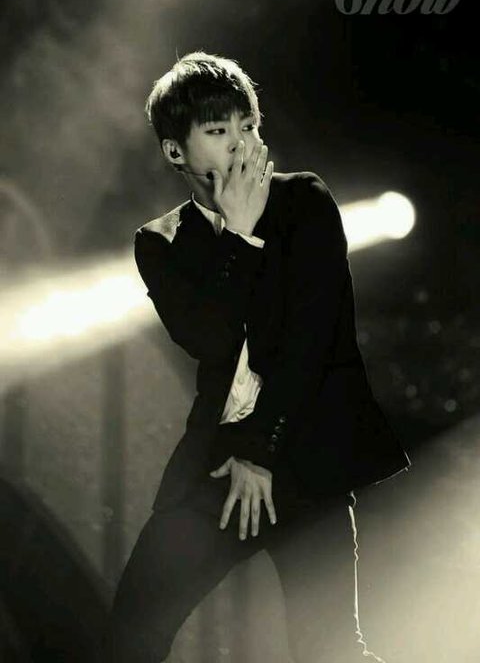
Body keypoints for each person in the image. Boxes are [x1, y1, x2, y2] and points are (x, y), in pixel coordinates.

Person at [105, 51, 411, 663]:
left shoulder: (305, 202)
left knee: (331, 651)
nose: (240, 142)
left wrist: (260, 451)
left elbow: (312, 341)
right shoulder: (159, 242)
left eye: (248, 125)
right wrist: (240, 238)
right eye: (219, 130)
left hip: (303, 454)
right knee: (131, 635)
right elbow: (210, 341)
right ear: (175, 151)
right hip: (217, 469)